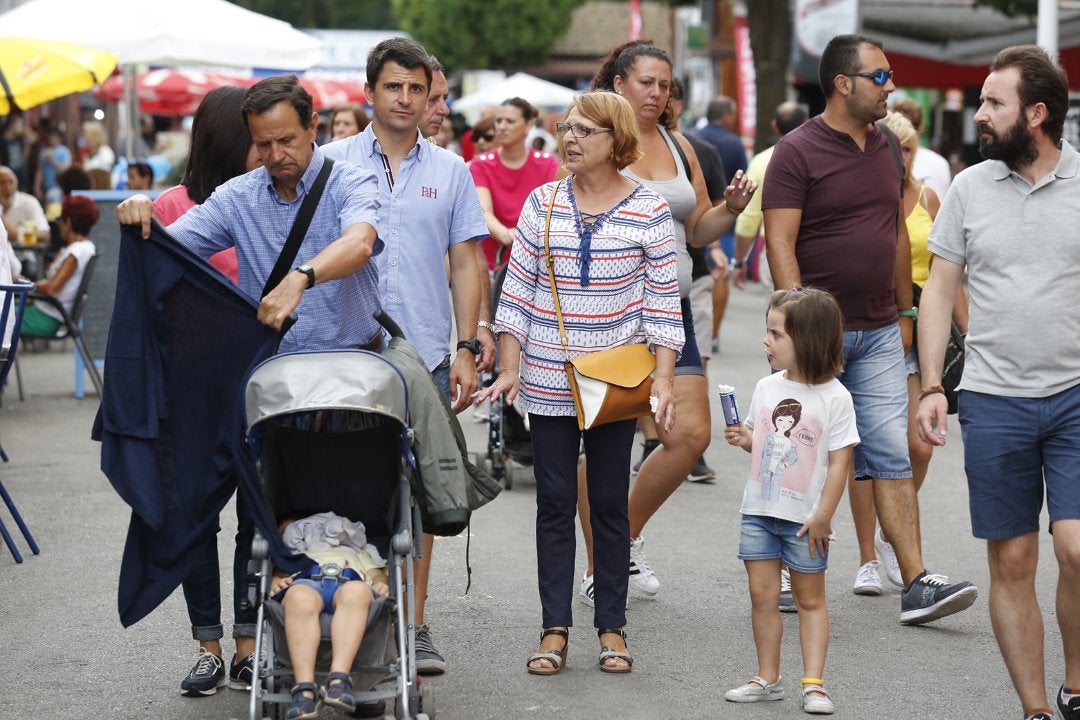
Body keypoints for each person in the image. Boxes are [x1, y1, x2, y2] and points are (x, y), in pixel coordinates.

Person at [763, 33, 977, 624]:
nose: (890, 87)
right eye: (879, 77)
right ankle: (785, 568)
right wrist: (796, 323)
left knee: (890, 452)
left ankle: (915, 582)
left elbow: (890, 235)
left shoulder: (886, 145)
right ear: (843, 83)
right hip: (814, 332)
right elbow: (779, 241)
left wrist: (905, 312)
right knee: (799, 450)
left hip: (882, 328)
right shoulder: (796, 152)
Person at [475, 90, 684, 675]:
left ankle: (612, 627)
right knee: (555, 503)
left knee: (610, 503)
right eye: (567, 127)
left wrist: (664, 379)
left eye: (585, 131)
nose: (569, 138)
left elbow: (663, 305)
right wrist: (510, 367)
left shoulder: (648, 210)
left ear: (616, 142)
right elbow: (516, 295)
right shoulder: (542, 204)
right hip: (545, 378)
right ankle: (554, 628)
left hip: (614, 383)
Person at [915, 45, 1080, 720]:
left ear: (1035, 114)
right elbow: (938, 291)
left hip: (1075, 396)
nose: (980, 114)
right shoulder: (967, 188)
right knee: (1013, 561)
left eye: (993, 103)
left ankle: (1077, 682)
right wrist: (932, 386)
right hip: (992, 398)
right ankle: (1038, 710)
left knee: (1075, 548)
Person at [322, 37, 486, 677]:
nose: (406, 98)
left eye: (417, 88)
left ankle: (414, 627)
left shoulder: (451, 172)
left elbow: (466, 261)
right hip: (341, 353)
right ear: (369, 92)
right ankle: (348, 615)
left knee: (420, 493)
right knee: (339, 486)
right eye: (394, 86)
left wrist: (468, 346)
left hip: (424, 357)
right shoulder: (329, 163)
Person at [577, 40, 755, 606]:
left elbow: (700, 228)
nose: (657, 93)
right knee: (604, 442)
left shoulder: (680, 146)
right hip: (610, 310)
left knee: (690, 435)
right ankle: (602, 560)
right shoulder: (601, 139)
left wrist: (729, 207)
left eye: (665, 85)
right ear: (619, 84)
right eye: (647, 82)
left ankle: (618, 539)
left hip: (671, 312)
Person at [147, 85, 265, 697]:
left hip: (258, 383)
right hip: (191, 388)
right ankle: (208, 647)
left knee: (256, 518)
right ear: (228, 139)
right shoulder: (170, 206)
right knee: (196, 520)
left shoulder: (267, 202)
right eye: (254, 137)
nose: (265, 147)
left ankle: (247, 646)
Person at [846, 110, 969, 596]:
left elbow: (948, 273)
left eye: (908, 149)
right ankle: (868, 558)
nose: (899, 158)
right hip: (868, 320)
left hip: (917, 319)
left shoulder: (928, 197)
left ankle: (890, 527)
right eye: (891, 148)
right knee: (867, 448)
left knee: (919, 444)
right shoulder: (860, 194)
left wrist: (970, 333)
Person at [723, 288, 857, 715]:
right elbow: (760, 444)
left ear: (808, 340)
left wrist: (824, 516)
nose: (766, 341)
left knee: (810, 599)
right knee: (762, 596)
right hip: (759, 512)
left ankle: (814, 684)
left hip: (805, 520)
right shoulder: (765, 387)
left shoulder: (836, 397)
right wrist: (745, 439)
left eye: (775, 334)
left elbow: (840, 464)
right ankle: (767, 677)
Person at [270, 511, 390, 720]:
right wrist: (275, 582)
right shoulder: (294, 554)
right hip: (305, 582)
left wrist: (382, 583)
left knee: (357, 593)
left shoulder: (358, 551)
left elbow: (377, 574)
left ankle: (339, 679)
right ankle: (304, 688)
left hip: (351, 581)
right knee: (298, 598)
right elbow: (279, 576)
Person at [470, 97, 559, 270]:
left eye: (509, 121)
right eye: (498, 121)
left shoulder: (547, 162)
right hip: (494, 265)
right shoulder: (481, 164)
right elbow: (483, 211)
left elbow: (552, 213)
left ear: (528, 125)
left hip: (538, 264)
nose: (502, 126)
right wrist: (506, 234)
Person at [731, 101, 808, 292]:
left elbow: (749, 218)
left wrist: (739, 261)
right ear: (806, 122)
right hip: (815, 245)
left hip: (776, 250)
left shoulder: (761, 161)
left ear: (774, 126)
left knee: (780, 314)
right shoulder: (820, 156)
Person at [696, 95, 748, 353]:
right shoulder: (734, 143)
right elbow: (742, 179)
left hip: (694, 215)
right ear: (725, 115)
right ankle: (712, 334)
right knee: (719, 274)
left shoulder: (693, 136)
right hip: (723, 216)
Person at [19, 195, 97, 336]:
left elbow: (51, 288)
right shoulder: (84, 248)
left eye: (60, 220)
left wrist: (26, 284)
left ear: (68, 223)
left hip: (46, 316)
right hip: (48, 312)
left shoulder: (77, 251)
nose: (59, 224)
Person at [891, 97, 952, 201]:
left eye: (906, 150)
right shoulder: (940, 163)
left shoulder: (880, 160)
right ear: (921, 126)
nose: (903, 157)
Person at [1, 165, 49, 247]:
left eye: (11, 182)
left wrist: (17, 235)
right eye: (1, 183)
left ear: (17, 185)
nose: (7, 188)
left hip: (25, 256)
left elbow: (45, 235)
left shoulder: (29, 202)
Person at [34, 127, 71, 205]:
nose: (52, 139)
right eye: (50, 137)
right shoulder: (44, 151)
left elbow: (66, 168)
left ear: (59, 138)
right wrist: (37, 187)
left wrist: (52, 160)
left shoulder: (64, 150)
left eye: (54, 137)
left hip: (60, 187)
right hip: (47, 186)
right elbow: (40, 170)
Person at [81, 120, 116, 189]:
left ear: (94, 135)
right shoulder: (88, 154)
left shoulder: (105, 151)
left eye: (86, 134)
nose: (84, 138)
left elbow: (106, 175)